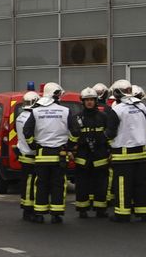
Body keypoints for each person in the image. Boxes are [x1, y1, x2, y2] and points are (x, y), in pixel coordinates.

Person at [23, 82, 78, 224]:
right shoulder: (65, 111)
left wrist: (33, 145)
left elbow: (27, 131)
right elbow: (76, 131)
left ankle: (40, 214)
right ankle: (56, 214)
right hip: (60, 154)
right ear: (56, 95)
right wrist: (69, 146)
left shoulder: (35, 111)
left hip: (42, 155)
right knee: (58, 185)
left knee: (41, 185)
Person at [104, 83, 146, 222]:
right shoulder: (142, 106)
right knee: (141, 184)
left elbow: (111, 133)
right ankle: (145, 213)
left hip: (123, 154)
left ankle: (122, 214)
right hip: (141, 153)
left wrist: (104, 136)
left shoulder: (117, 110)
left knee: (122, 185)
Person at [73, 86, 111, 217]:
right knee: (82, 184)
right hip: (83, 155)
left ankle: (100, 209)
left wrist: (111, 151)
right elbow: (72, 136)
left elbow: (110, 135)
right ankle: (82, 210)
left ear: (96, 101)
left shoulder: (103, 116)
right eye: (86, 100)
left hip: (100, 154)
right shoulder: (77, 118)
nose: (89, 102)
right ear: (82, 102)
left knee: (101, 183)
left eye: (91, 100)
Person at [14, 91, 40, 222]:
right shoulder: (32, 118)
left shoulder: (19, 116)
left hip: (23, 154)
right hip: (31, 155)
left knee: (26, 183)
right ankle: (29, 211)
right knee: (32, 184)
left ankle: (26, 207)